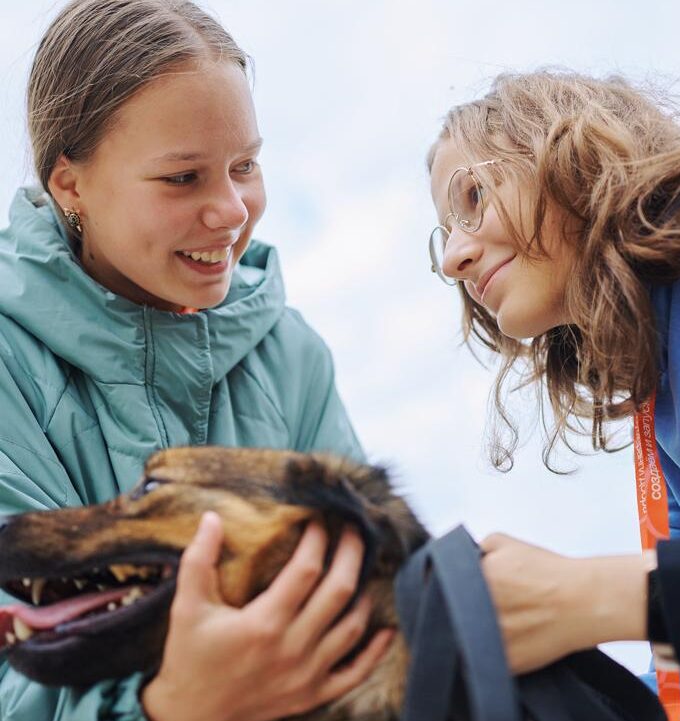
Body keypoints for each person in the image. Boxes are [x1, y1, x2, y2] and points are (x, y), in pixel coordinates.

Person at [0, 1, 393, 719]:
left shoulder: (291, 353)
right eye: (183, 178)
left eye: (245, 165)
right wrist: (174, 704)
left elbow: (369, 614)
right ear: (70, 184)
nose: (232, 209)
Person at [427, 70, 680, 721]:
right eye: (442, 234)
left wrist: (592, 595)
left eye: (473, 196)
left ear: (556, 146)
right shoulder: (660, 412)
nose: (453, 257)